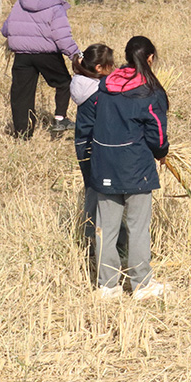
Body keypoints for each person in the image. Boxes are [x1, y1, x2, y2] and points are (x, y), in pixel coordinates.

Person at [74, 36, 170, 300]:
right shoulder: (150, 91)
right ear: (150, 58)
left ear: (127, 57)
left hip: (103, 163)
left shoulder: (106, 84)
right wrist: (161, 153)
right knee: (137, 226)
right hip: (135, 165)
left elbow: (91, 123)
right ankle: (142, 284)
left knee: (106, 226)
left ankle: (107, 286)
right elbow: (157, 135)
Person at [2, 0, 81, 138]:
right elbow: (61, 36)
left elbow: (6, 29)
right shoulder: (55, 5)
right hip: (47, 54)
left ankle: (22, 134)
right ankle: (60, 119)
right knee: (64, 83)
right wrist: (75, 55)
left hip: (22, 54)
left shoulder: (20, 2)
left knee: (21, 93)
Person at [70, 43, 115, 241]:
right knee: (99, 191)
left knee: (91, 187)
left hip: (82, 143)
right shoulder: (98, 94)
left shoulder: (81, 84)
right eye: (110, 65)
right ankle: (92, 234)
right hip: (94, 145)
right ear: (99, 68)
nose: (113, 69)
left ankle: (89, 233)